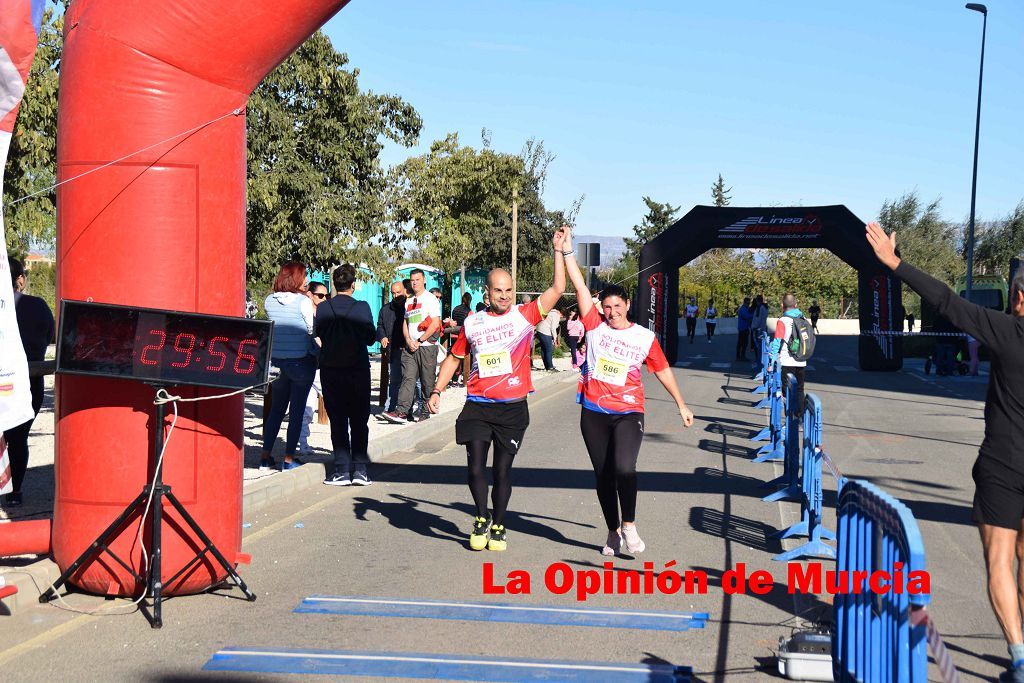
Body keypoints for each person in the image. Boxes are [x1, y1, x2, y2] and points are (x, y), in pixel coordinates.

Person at [866, 221, 1024, 683]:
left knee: (999, 560)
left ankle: (1019, 657)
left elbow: (947, 303)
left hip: (1001, 464)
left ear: (1017, 298)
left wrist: (895, 263)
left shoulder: (1007, 331)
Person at [428, 228, 568, 552]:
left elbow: (559, 287)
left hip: (512, 409)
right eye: (498, 291)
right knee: (475, 465)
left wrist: (558, 250)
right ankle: (481, 517)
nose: (504, 295)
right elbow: (453, 358)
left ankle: (500, 523)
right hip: (478, 404)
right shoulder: (472, 323)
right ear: (487, 293)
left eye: (509, 290)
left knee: (501, 470)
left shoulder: (525, 315)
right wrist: (436, 390)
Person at [561, 236, 694, 555]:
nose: (611, 312)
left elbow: (662, 370)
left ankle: (629, 526)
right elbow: (580, 287)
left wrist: (682, 404)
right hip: (593, 413)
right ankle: (611, 532)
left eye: (617, 307)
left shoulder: (643, 337)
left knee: (624, 468)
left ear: (627, 306)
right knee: (604, 476)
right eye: (606, 307)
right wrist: (566, 251)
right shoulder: (593, 327)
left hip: (628, 412)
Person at [317, 264, 377, 486]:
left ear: (334, 284)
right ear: (353, 285)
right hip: (358, 369)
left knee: (338, 420)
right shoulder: (362, 307)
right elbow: (371, 338)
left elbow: (320, 333)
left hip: (331, 369)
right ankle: (360, 470)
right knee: (360, 419)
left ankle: (341, 469)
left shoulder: (323, 308)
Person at [1, 258, 54, 507]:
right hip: (29, 383)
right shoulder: (39, 306)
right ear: (20, 279)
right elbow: (51, 336)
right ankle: (15, 492)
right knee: (18, 438)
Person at [259, 261, 318, 471]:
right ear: (296, 278)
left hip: (276, 362)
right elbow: (312, 329)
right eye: (304, 276)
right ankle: (289, 458)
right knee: (297, 410)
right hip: (301, 361)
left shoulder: (269, 301)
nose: (307, 281)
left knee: (276, 409)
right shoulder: (302, 302)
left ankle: (265, 456)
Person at [382, 269, 442, 424]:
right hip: (410, 347)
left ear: (424, 281)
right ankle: (401, 411)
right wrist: (408, 340)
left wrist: (420, 340)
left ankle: (425, 410)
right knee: (408, 378)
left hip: (427, 346)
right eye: (412, 280)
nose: (415, 282)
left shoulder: (430, 299)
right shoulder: (409, 301)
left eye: (417, 279)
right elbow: (405, 323)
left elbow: (435, 323)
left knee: (426, 380)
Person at [298, 280, 329, 455]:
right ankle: (302, 443)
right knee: (306, 407)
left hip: (320, 365)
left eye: (326, 295)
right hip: (306, 364)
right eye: (320, 295)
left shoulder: (324, 315)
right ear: (310, 294)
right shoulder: (303, 312)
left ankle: (345, 442)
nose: (324, 298)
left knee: (333, 402)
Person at [770, 294, 807, 413]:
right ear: (796, 305)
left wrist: (772, 360)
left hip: (786, 361)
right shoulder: (803, 318)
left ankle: (790, 420)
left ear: (782, 306)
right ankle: (800, 419)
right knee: (800, 389)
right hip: (801, 360)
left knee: (787, 391)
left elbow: (777, 342)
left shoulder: (782, 321)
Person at [376, 281, 408, 413]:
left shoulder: (410, 307)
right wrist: (382, 336)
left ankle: (412, 406)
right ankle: (391, 407)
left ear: (404, 291)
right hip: (393, 349)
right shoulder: (385, 309)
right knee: (394, 380)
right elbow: (379, 326)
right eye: (393, 293)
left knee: (410, 379)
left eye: (398, 292)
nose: (395, 295)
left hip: (408, 348)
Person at [535, 306, 562, 372]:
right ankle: (550, 367)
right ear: (561, 314)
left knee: (544, 349)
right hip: (545, 331)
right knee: (549, 349)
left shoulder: (551, 311)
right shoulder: (557, 315)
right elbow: (553, 328)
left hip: (539, 330)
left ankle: (546, 366)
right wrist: (555, 339)